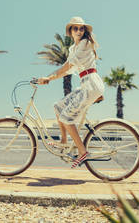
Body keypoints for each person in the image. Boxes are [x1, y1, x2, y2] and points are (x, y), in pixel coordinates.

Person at [37, 16, 104, 168]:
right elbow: (67, 70)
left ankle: (82, 152)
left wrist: (49, 77)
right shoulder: (73, 49)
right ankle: (64, 141)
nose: (79, 31)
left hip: (91, 84)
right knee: (58, 107)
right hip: (85, 84)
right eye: (76, 28)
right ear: (70, 31)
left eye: (81, 28)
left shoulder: (85, 43)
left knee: (66, 118)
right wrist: (49, 78)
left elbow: (67, 66)